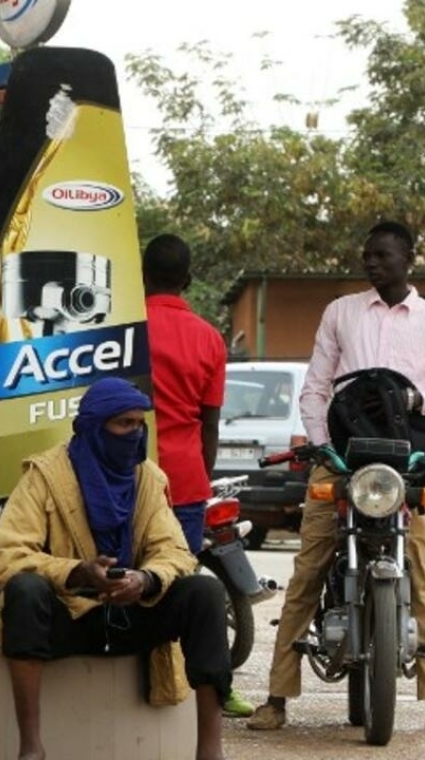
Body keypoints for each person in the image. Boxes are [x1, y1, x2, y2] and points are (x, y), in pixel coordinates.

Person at [247, 220, 425, 733]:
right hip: (341, 463)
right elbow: (314, 389)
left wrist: (420, 399)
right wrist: (323, 448)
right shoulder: (341, 312)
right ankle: (276, 698)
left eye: (382, 255)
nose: (371, 263)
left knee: (422, 574)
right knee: (306, 574)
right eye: (367, 255)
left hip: (402, 468)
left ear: (409, 259)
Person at [0, 377, 231, 760]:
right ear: (94, 428)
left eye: (139, 424)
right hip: (70, 615)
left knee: (205, 592)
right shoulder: (46, 475)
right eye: (123, 424)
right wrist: (78, 572)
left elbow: (175, 552)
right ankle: (31, 748)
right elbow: (7, 553)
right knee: (24, 590)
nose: (134, 434)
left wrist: (146, 580)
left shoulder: (147, 476)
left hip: (130, 614)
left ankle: (210, 751)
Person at [143, 233, 254, 719]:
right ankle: (212, 688)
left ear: (142, 274)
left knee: (130, 575)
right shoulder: (209, 338)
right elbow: (209, 422)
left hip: (124, 475)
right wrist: (200, 479)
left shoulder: (123, 328)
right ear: (187, 280)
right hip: (184, 480)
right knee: (181, 585)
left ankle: (139, 674)